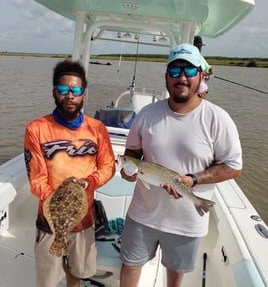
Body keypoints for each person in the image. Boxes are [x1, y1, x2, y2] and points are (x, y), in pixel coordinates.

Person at [119, 43, 242, 287]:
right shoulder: (147, 114)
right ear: (166, 76)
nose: (182, 77)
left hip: (187, 222)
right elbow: (131, 153)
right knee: (130, 265)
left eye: (189, 71)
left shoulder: (218, 119)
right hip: (143, 215)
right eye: (175, 71)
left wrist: (193, 180)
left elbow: (233, 166)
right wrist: (129, 172)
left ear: (201, 75)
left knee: (175, 275)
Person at [24, 59, 115, 287]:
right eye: (64, 90)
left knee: (78, 272)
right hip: (50, 222)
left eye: (75, 90)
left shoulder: (97, 129)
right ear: (55, 92)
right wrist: (57, 198)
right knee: (47, 280)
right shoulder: (36, 129)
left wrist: (87, 184)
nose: (69, 95)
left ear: (84, 94)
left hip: (84, 220)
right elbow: (36, 180)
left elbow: (108, 167)